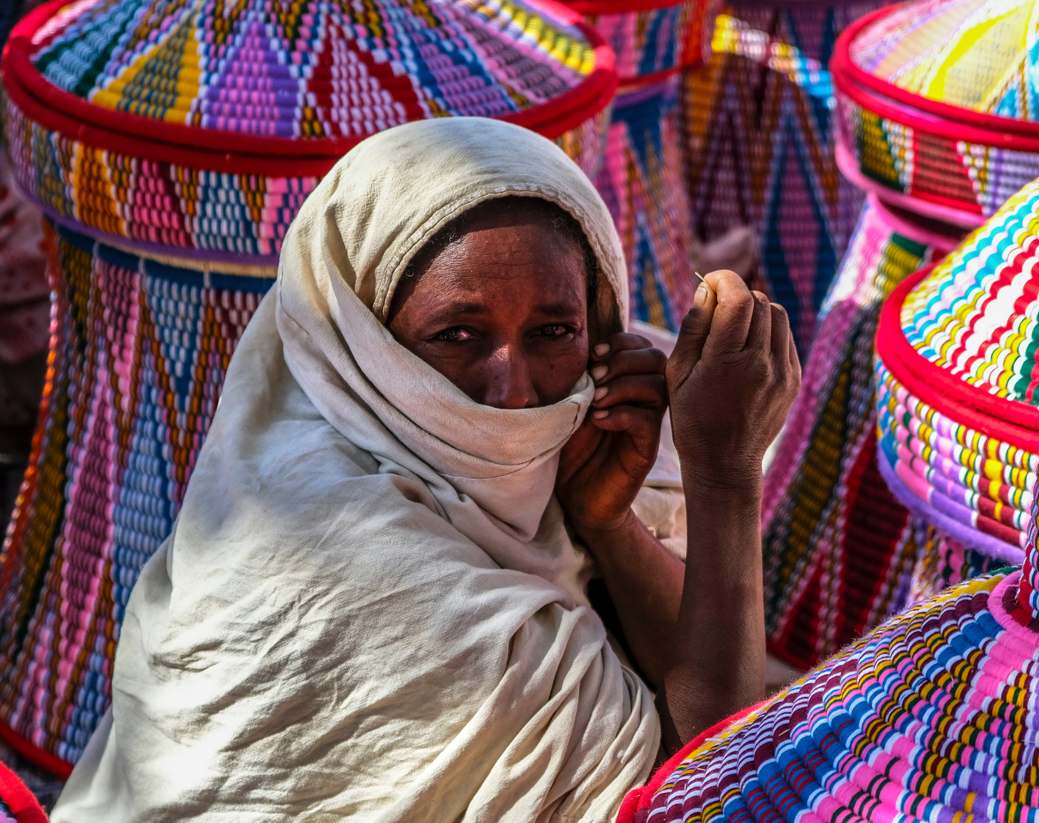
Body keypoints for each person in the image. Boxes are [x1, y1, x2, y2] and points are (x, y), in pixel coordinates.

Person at [51, 117, 800, 822]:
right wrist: (727, 476)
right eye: (458, 334)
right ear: (365, 340)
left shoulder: (568, 465)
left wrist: (609, 525)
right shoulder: (350, 559)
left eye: (554, 331)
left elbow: (702, 702)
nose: (513, 390)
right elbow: (716, 789)